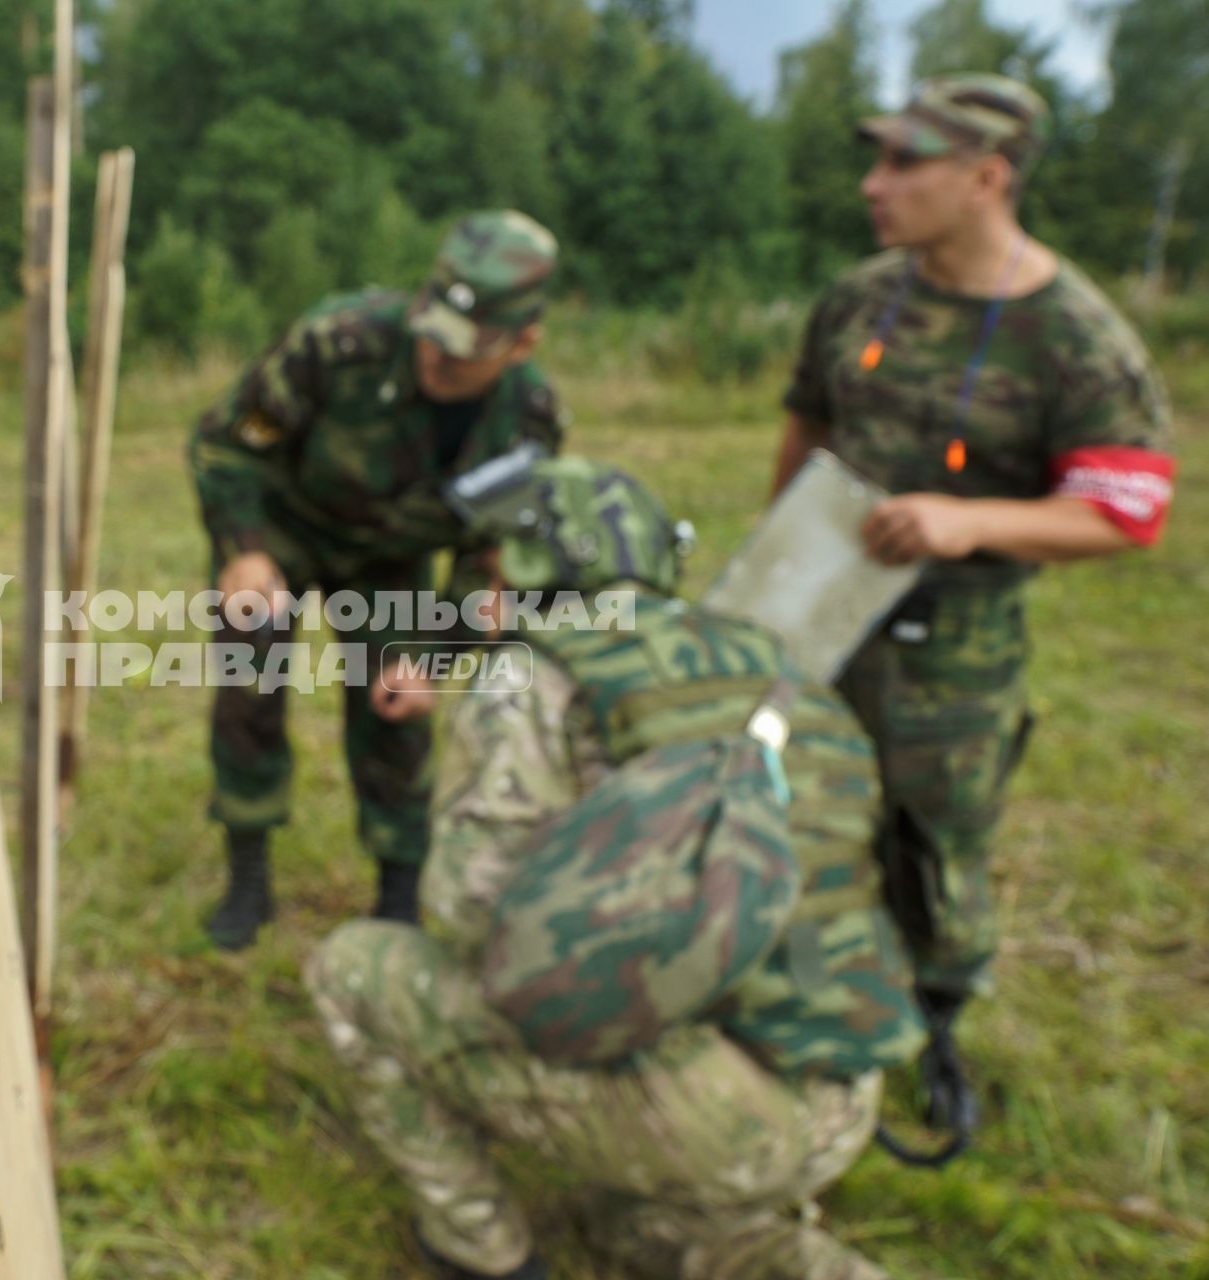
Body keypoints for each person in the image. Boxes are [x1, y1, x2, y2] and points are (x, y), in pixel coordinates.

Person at [308, 456, 926, 1280]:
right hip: (845, 1095)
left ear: (527, 567)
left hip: (714, 1115)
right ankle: (759, 1231)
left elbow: (471, 922)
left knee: (353, 969)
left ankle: (479, 1250)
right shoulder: (777, 666)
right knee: (626, 1223)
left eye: (488, 569)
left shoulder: (532, 679)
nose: (479, 593)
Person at [773, 73, 1175, 1133]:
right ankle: (790, 999)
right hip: (823, 611)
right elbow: (806, 423)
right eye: (878, 159)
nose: (874, 184)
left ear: (985, 179)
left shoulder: (1072, 336)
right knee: (794, 805)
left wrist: (971, 520)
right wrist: (774, 562)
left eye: (904, 164)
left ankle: (932, 1020)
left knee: (933, 843)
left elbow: (1124, 510)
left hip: (950, 650)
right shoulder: (860, 296)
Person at [189, 210, 565, 950]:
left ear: (524, 341)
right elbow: (228, 443)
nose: (435, 361)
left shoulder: (527, 420)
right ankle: (249, 868)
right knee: (250, 670)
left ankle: (397, 891)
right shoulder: (341, 341)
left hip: (394, 559)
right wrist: (244, 549)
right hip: (287, 527)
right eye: (432, 336)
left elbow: (492, 560)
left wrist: (434, 650)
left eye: (462, 356)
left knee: (395, 706)